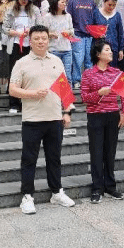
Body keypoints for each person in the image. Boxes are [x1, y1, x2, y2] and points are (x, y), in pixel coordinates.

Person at [9, 25, 76, 215]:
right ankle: (27, 196)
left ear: (48, 40)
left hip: (54, 118)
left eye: (44, 38)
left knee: (54, 158)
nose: (40, 41)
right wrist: (32, 94)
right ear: (30, 41)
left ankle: (57, 192)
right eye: (36, 38)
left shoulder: (56, 61)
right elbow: (12, 90)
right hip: (32, 119)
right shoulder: (21, 63)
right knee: (29, 159)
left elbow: (64, 88)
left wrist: (67, 112)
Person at [81, 40, 124, 204]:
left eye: (110, 49)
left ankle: (110, 186)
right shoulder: (88, 73)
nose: (111, 52)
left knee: (110, 152)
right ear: (98, 54)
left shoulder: (116, 72)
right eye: (107, 50)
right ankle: (97, 188)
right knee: (96, 152)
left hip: (112, 115)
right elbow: (84, 97)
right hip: (95, 116)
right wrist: (99, 93)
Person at [3, 0, 42, 113]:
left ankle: (28, 102)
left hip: (31, 45)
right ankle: (13, 103)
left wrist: (31, 30)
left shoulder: (35, 10)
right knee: (15, 73)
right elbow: (5, 28)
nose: (24, 0)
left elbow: (40, 26)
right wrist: (16, 33)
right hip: (15, 44)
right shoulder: (10, 10)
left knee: (31, 73)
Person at [67, 0, 97, 89]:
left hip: (89, 35)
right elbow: (68, 17)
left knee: (89, 60)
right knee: (77, 60)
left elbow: (95, 17)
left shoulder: (91, 2)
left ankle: (88, 81)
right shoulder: (72, 1)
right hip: (77, 34)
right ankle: (76, 81)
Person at [42, 0, 74, 81]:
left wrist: (68, 32)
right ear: (56, 2)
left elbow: (72, 30)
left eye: (65, 2)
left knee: (67, 76)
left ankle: (68, 90)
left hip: (67, 49)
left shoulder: (68, 16)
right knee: (53, 76)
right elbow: (43, 33)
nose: (65, 4)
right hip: (53, 50)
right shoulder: (48, 17)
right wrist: (51, 34)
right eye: (62, 2)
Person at [93, 0, 124, 68]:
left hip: (113, 48)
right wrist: (96, 34)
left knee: (112, 70)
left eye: (114, 5)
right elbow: (91, 29)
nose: (111, 7)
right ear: (104, 2)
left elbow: (120, 33)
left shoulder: (117, 15)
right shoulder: (96, 13)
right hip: (99, 48)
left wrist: (121, 49)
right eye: (109, 5)